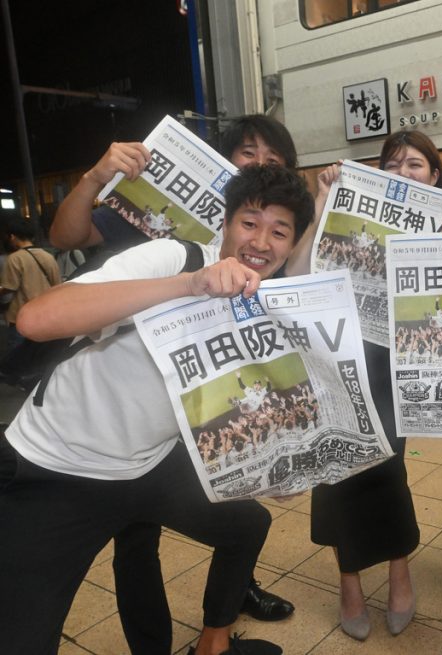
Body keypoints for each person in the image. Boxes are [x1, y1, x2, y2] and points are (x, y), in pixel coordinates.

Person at [0, 164, 314, 655]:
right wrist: (191, 284)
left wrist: (269, 466)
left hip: (149, 463)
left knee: (247, 525)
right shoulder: (174, 258)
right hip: (59, 465)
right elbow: (37, 319)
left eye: (280, 231)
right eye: (250, 223)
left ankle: (213, 643)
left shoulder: (266, 305)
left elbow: (241, 408)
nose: (261, 242)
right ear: (226, 224)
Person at [297, 131, 441, 641]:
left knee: (387, 468)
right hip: (335, 359)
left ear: (435, 176)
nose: (405, 172)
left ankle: (400, 571)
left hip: (395, 367)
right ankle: (349, 580)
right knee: (336, 468)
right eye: (394, 164)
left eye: (417, 164)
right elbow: (299, 272)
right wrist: (322, 202)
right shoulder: (347, 213)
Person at [50, 114, 298, 252]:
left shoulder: (284, 228)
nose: (259, 164)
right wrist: (92, 178)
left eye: (273, 160)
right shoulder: (152, 204)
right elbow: (65, 239)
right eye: (248, 153)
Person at [0, 217, 60, 358]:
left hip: (21, 314)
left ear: (12, 236)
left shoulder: (15, 258)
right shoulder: (48, 256)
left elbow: (9, 287)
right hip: (45, 312)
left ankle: (17, 377)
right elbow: (57, 285)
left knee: (17, 352)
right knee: (40, 351)